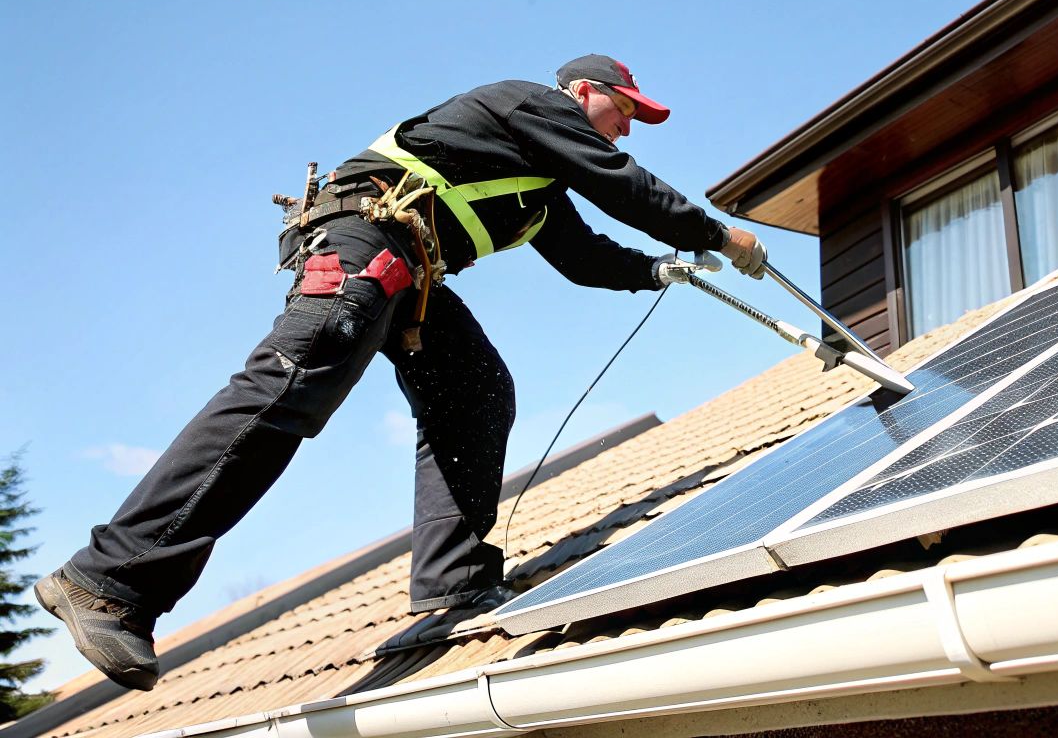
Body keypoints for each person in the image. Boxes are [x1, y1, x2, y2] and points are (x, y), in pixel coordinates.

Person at [36, 55, 765, 691]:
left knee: (474, 390)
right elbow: (623, 184)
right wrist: (718, 235)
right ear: (581, 93)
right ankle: (109, 579)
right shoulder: (531, 103)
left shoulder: (538, 189)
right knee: (290, 385)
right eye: (625, 111)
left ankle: (453, 582)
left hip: (410, 268)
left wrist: (660, 268)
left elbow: (584, 259)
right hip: (366, 239)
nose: (628, 130)